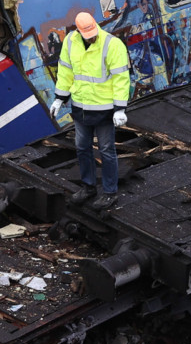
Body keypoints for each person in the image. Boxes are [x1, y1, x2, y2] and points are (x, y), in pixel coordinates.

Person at [51, 11, 131, 211]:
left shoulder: (112, 45)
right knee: (81, 147)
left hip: (104, 109)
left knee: (106, 150)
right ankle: (88, 187)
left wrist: (120, 108)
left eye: (93, 33)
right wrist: (60, 98)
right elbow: (65, 71)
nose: (91, 38)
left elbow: (121, 79)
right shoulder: (70, 41)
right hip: (81, 106)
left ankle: (110, 192)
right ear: (78, 31)